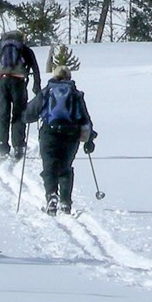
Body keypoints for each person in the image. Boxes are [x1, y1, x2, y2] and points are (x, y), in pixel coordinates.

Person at [24, 66, 97, 215]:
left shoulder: (46, 92)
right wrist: (90, 139)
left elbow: (29, 115)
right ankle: (65, 202)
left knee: (49, 166)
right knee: (65, 167)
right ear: (69, 77)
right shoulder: (75, 94)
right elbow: (85, 118)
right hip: (71, 134)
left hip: (49, 133)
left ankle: (51, 197)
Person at [0, 30, 41, 159]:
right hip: (18, 83)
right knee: (19, 114)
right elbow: (35, 68)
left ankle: (2, 146)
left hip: (2, 82)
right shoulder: (25, 49)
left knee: (3, 114)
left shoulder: (2, 48)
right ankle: (18, 146)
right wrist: (37, 86)